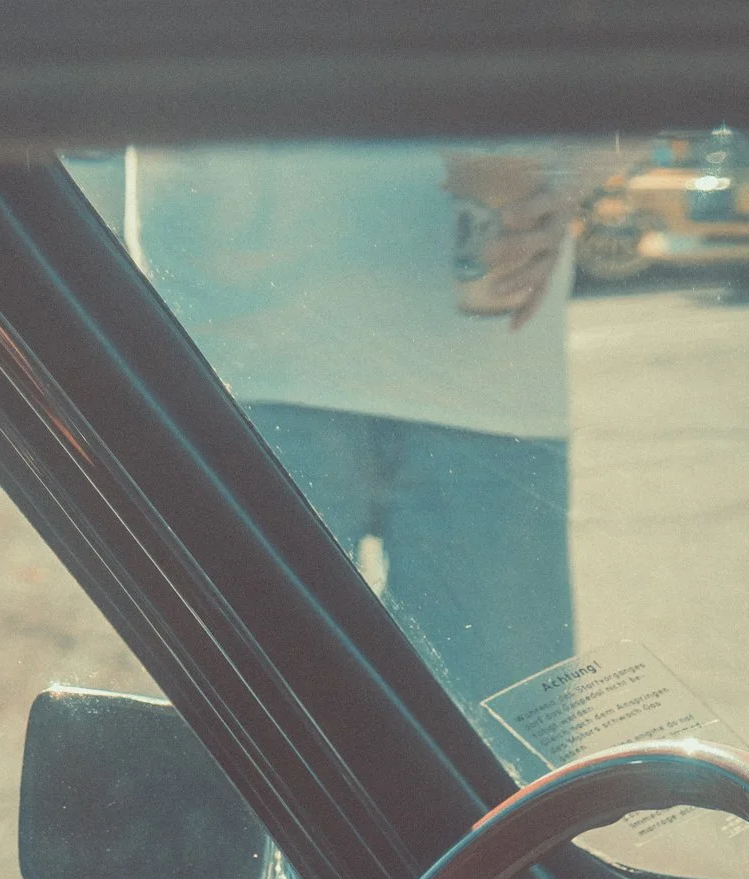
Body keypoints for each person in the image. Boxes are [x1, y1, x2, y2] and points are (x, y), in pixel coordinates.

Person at [122, 143, 599, 718]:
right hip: (234, 364)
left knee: (510, 758)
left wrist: (567, 177)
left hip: (484, 380)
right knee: (248, 745)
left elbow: (633, 91)